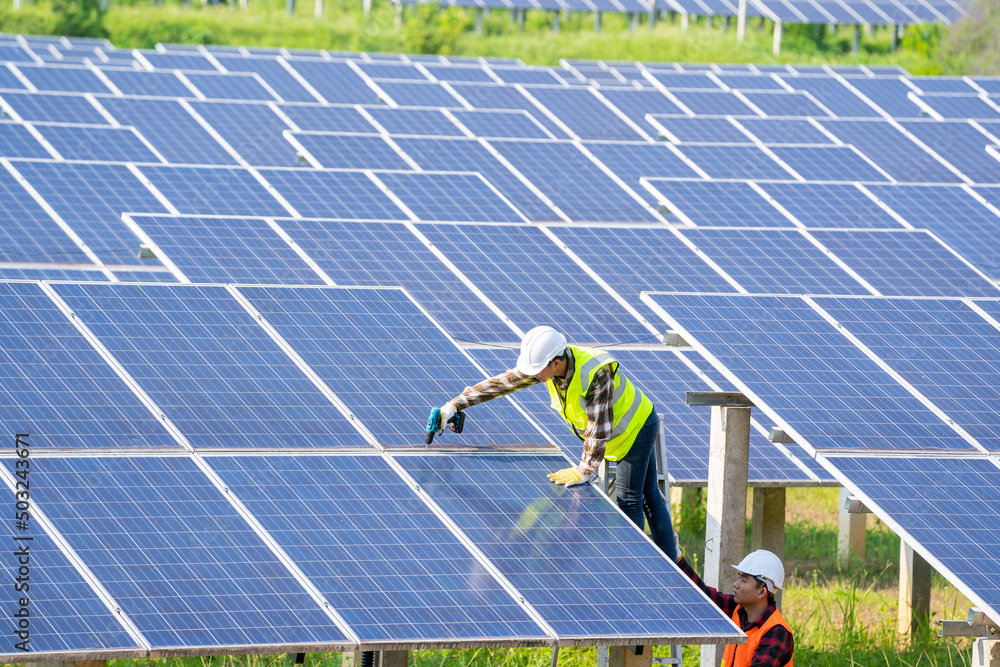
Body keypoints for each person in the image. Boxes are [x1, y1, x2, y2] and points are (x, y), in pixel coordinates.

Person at [429, 325, 677, 560]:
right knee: (649, 495)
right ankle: (669, 562)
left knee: (630, 499)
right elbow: (504, 383)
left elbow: (599, 428)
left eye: (536, 370)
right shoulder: (548, 368)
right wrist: (455, 404)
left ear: (555, 363)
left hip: (634, 429)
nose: (532, 375)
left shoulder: (595, 372)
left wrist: (583, 470)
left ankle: (637, 564)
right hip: (630, 424)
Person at [674, 542, 794, 667]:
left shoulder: (776, 632)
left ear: (762, 592)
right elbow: (705, 595)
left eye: (744, 580)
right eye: (739, 577)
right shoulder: (739, 611)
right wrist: (678, 558)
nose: (736, 584)